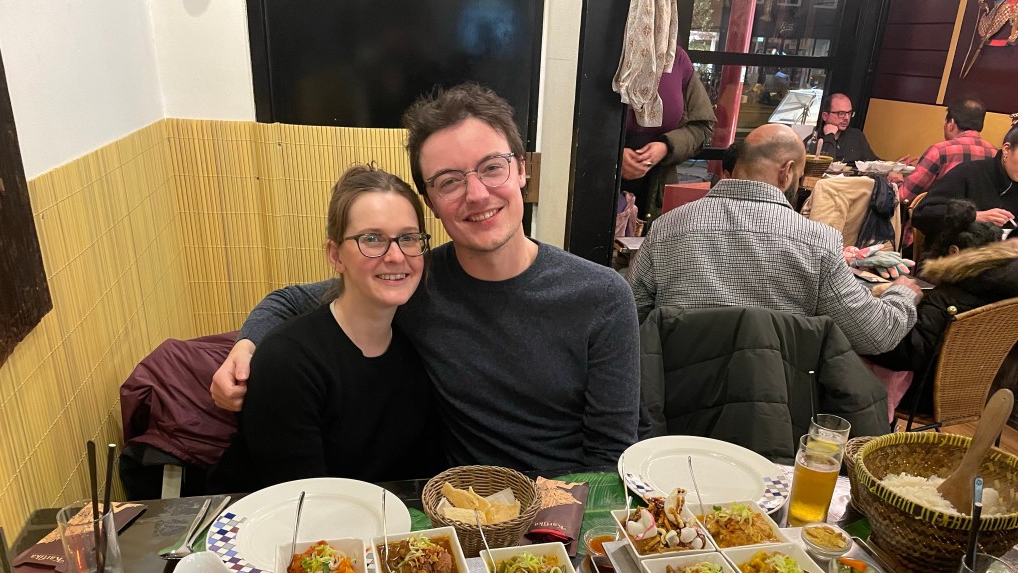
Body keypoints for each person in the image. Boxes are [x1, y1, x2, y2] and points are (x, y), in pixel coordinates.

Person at [212, 84, 641, 472]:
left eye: (492, 167)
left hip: (564, 511)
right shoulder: (414, 279)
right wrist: (246, 347)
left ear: (522, 170)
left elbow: (609, 457)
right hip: (453, 509)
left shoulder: (602, 297)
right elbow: (291, 301)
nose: (477, 194)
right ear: (431, 202)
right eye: (449, 181)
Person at [208, 166, 444, 492]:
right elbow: (303, 502)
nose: (395, 256)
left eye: (408, 238)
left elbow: (422, 482)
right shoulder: (288, 362)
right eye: (372, 239)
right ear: (336, 256)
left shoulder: (414, 353)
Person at [626, 123, 922, 355]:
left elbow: (629, 316)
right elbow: (875, 335)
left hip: (670, 398)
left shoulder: (666, 228)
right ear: (787, 172)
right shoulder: (818, 242)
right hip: (775, 405)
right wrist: (903, 293)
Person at [868, 199, 1012, 413]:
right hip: (968, 393)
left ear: (953, 252)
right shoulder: (1002, 293)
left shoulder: (947, 299)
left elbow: (903, 353)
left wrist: (870, 317)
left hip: (920, 394)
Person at [620, 47, 717, 223]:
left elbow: (702, 126)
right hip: (595, 181)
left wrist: (667, 146)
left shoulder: (676, 57)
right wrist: (612, 156)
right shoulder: (604, 49)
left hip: (656, 189)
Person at [911, 123, 1018, 242]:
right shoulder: (969, 172)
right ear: (1007, 149)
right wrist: (974, 216)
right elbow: (922, 215)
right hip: (955, 250)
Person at [896, 98, 997, 205]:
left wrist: (896, 179)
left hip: (942, 214)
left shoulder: (940, 151)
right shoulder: (995, 154)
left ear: (951, 123)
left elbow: (904, 196)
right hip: (980, 214)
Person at [818, 93, 878, 164]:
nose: (847, 118)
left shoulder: (856, 136)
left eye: (849, 113)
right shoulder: (814, 140)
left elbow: (873, 162)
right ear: (825, 116)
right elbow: (824, 165)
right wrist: (829, 137)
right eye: (841, 113)